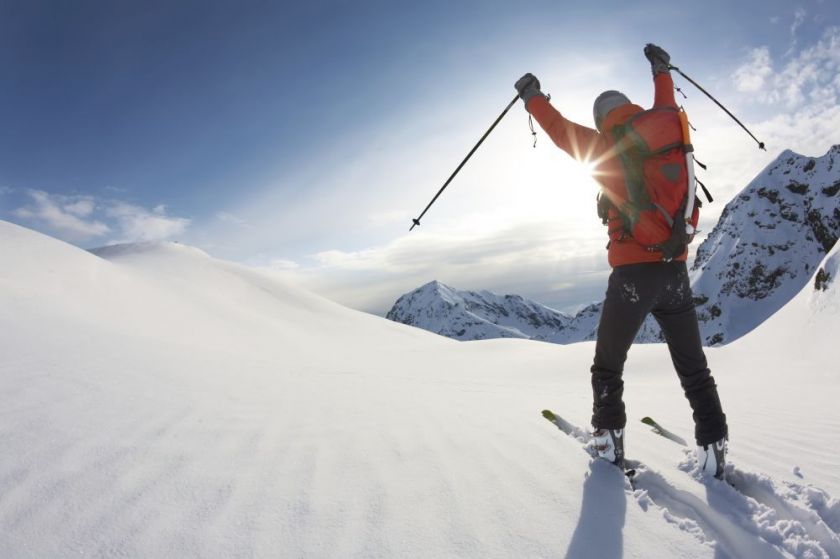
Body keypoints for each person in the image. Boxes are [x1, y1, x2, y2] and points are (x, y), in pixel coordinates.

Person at [514, 44, 728, 478]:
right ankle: (715, 447)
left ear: (601, 119)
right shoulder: (664, 125)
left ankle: (608, 444)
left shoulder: (603, 145)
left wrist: (532, 96)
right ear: (628, 107)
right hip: (675, 269)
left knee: (609, 364)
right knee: (693, 366)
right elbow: (667, 95)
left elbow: (558, 130)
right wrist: (660, 68)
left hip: (632, 274)